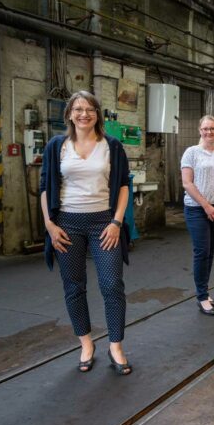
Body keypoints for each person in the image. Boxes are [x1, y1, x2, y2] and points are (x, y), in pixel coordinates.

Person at [40, 90, 132, 375]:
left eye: (90, 109)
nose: (84, 114)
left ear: (97, 115)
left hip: (103, 223)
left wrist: (116, 222)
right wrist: (50, 225)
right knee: (74, 286)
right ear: (69, 114)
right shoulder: (57, 146)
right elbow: (45, 187)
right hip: (66, 223)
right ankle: (86, 344)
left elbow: (124, 186)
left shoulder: (112, 146)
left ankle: (115, 346)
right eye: (78, 109)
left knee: (111, 284)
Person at [181, 115, 214, 316]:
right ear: (199, 130)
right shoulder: (191, 153)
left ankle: (205, 290)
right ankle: (202, 296)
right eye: (205, 128)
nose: (209, 132)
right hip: (197, 209)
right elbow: (187, 183)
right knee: (202, 251)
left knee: (211, 251)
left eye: (212, 128)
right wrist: (206, 206)